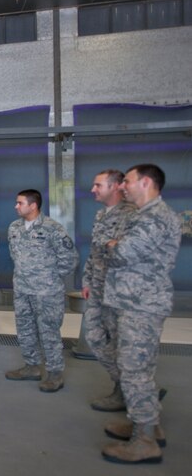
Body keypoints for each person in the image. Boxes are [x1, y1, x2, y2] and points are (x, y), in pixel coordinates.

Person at [100, 164, 181, 465]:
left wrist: (113, 245)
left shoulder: (155, 218)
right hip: (135, 302)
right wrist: (117, 245)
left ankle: (144, 441)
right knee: (141, 369)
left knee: (134, 371)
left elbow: (122, 253)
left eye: (128, 182)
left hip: (141, 305)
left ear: (146, 182)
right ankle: (148, 425)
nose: (123, 187)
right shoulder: (143, 216)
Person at [5, 189, 78, 392]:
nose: (16, 206)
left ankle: (55, 373)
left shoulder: (52, 228)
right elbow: (15, 255)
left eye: (20, 203)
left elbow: (70, 259)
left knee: (48, 331)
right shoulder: (14, 228)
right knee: (25, 329)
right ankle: (32, 366)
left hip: (47, 291)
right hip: (22, 289)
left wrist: (49, 277)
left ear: (33, 205)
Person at [80, 170, 137, 411]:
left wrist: (115, 246)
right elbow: (95, 251)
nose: (93, 189)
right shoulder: (102, 214)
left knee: (121, 344)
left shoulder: (132, 215)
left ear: (115, 187)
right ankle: (127, 386)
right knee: (94, 337)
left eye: (98, 185)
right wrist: (87, 279)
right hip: (98, 287)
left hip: (121, 291)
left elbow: (129, 254)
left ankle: (130, 392)